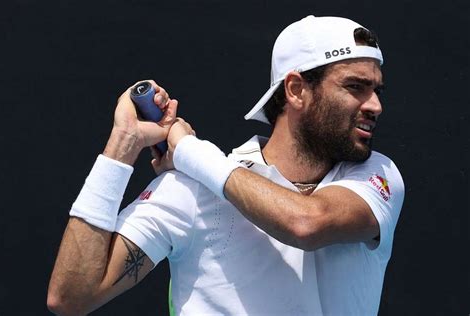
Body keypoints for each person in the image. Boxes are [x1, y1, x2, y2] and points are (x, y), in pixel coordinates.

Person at [47, 15, 404, 315]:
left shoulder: (377, 177)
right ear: (295, 90)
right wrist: (122, 144)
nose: (375, 105)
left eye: (377, 90)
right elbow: (70, 297)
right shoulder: (185, 190)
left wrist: (188, 149)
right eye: (355, 86)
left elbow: (306, 223)